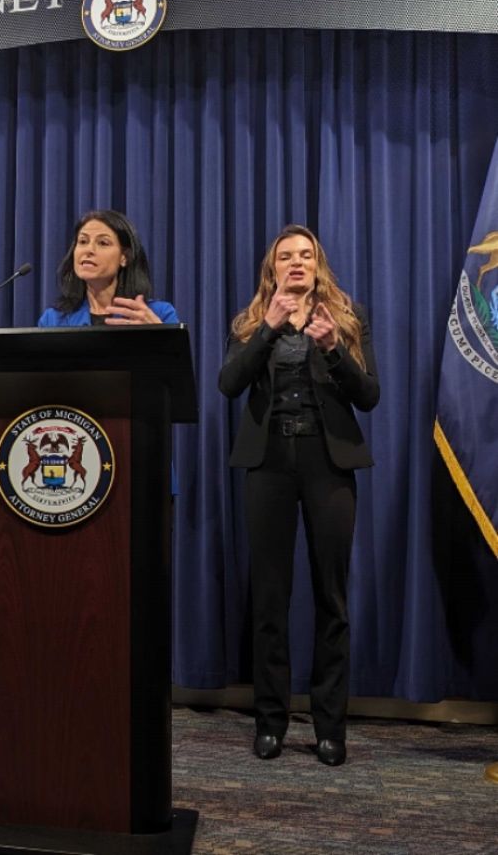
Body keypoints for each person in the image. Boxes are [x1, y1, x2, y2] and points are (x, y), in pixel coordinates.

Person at [218, 224, 378, 768]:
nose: (296, 263)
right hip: (268, 467)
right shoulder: (249, 321)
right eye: (286, 256)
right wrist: (267, 328)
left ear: (318, 264)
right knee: (270, 599)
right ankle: (271, 723)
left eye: (305, 255)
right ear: (272, 268)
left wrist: (334, 350)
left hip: (327, 465)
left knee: (332, 598)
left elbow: (370, 396)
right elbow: (228, 384)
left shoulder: (346, 318)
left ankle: (330, 728)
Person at [37, 209, 179, 327]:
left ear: (124, 257)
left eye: (103, 243)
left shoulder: (159, 314)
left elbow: (178, 360)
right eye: (83, 241)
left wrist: (160, 337)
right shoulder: (54, 320)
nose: (89, 250)